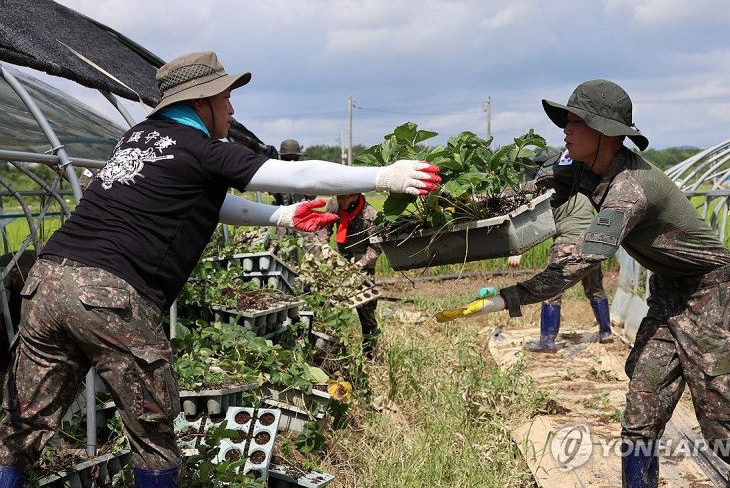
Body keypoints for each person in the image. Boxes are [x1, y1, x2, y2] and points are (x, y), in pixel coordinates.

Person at [0, 51, 441, 488]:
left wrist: (282, 217)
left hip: (46, 282)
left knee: (23, 424)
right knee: (153, 434)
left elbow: (207, 200)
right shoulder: (203, 148)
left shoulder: (138, 138)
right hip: (109, 294)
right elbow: (298, 175)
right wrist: (384, 176)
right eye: (225, 97)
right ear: (200, 102)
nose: (231, 108)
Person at [440, 80, 730, 487]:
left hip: (713, 297)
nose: (565, 130)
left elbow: (580, 261)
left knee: (728, 432)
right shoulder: (587, 170)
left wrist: (509, 297)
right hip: (669, 294)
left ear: (604, 132)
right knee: (640, 419)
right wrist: (457, 206)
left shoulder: (630, 190)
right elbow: (529, 190)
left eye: (575, 122)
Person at [508, 190, 612, 352]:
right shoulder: (585, 191)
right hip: (592, 245)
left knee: (551, 293)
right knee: (595, 289)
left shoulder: (554, 193)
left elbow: (535, 226)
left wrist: (518, 253)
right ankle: (606, 333)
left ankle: (547, 341)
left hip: (566, 245)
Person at [317, 192, 382, 358]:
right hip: (342, 261)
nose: (340, 201)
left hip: (364, 267)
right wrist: (324, 245)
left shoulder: (370, 216)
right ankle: (333, 351)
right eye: (339, 197)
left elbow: (377, 247)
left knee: (366, 311)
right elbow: (325, 225)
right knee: (333, 306)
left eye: (344, 198)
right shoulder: (335, 203)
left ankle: (369, 354)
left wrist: (360, 264)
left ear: (354, 196)